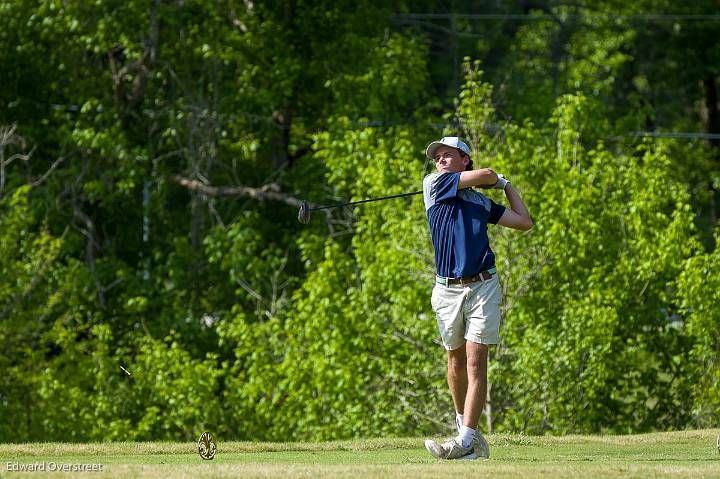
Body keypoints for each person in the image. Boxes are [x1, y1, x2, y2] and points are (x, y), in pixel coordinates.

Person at [421, 136, 533, 460]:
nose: (440, 160)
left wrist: (507, 184)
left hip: (484, 285)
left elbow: (524, 221)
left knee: (474, 360)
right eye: (437, 157)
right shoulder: (434, 185)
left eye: (447, 155)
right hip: (446, 289)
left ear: (464, 159)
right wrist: (495, 179)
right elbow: (487, 175)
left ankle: (466, 439)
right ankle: (465, 434)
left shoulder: (481, 204)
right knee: (454, 359)